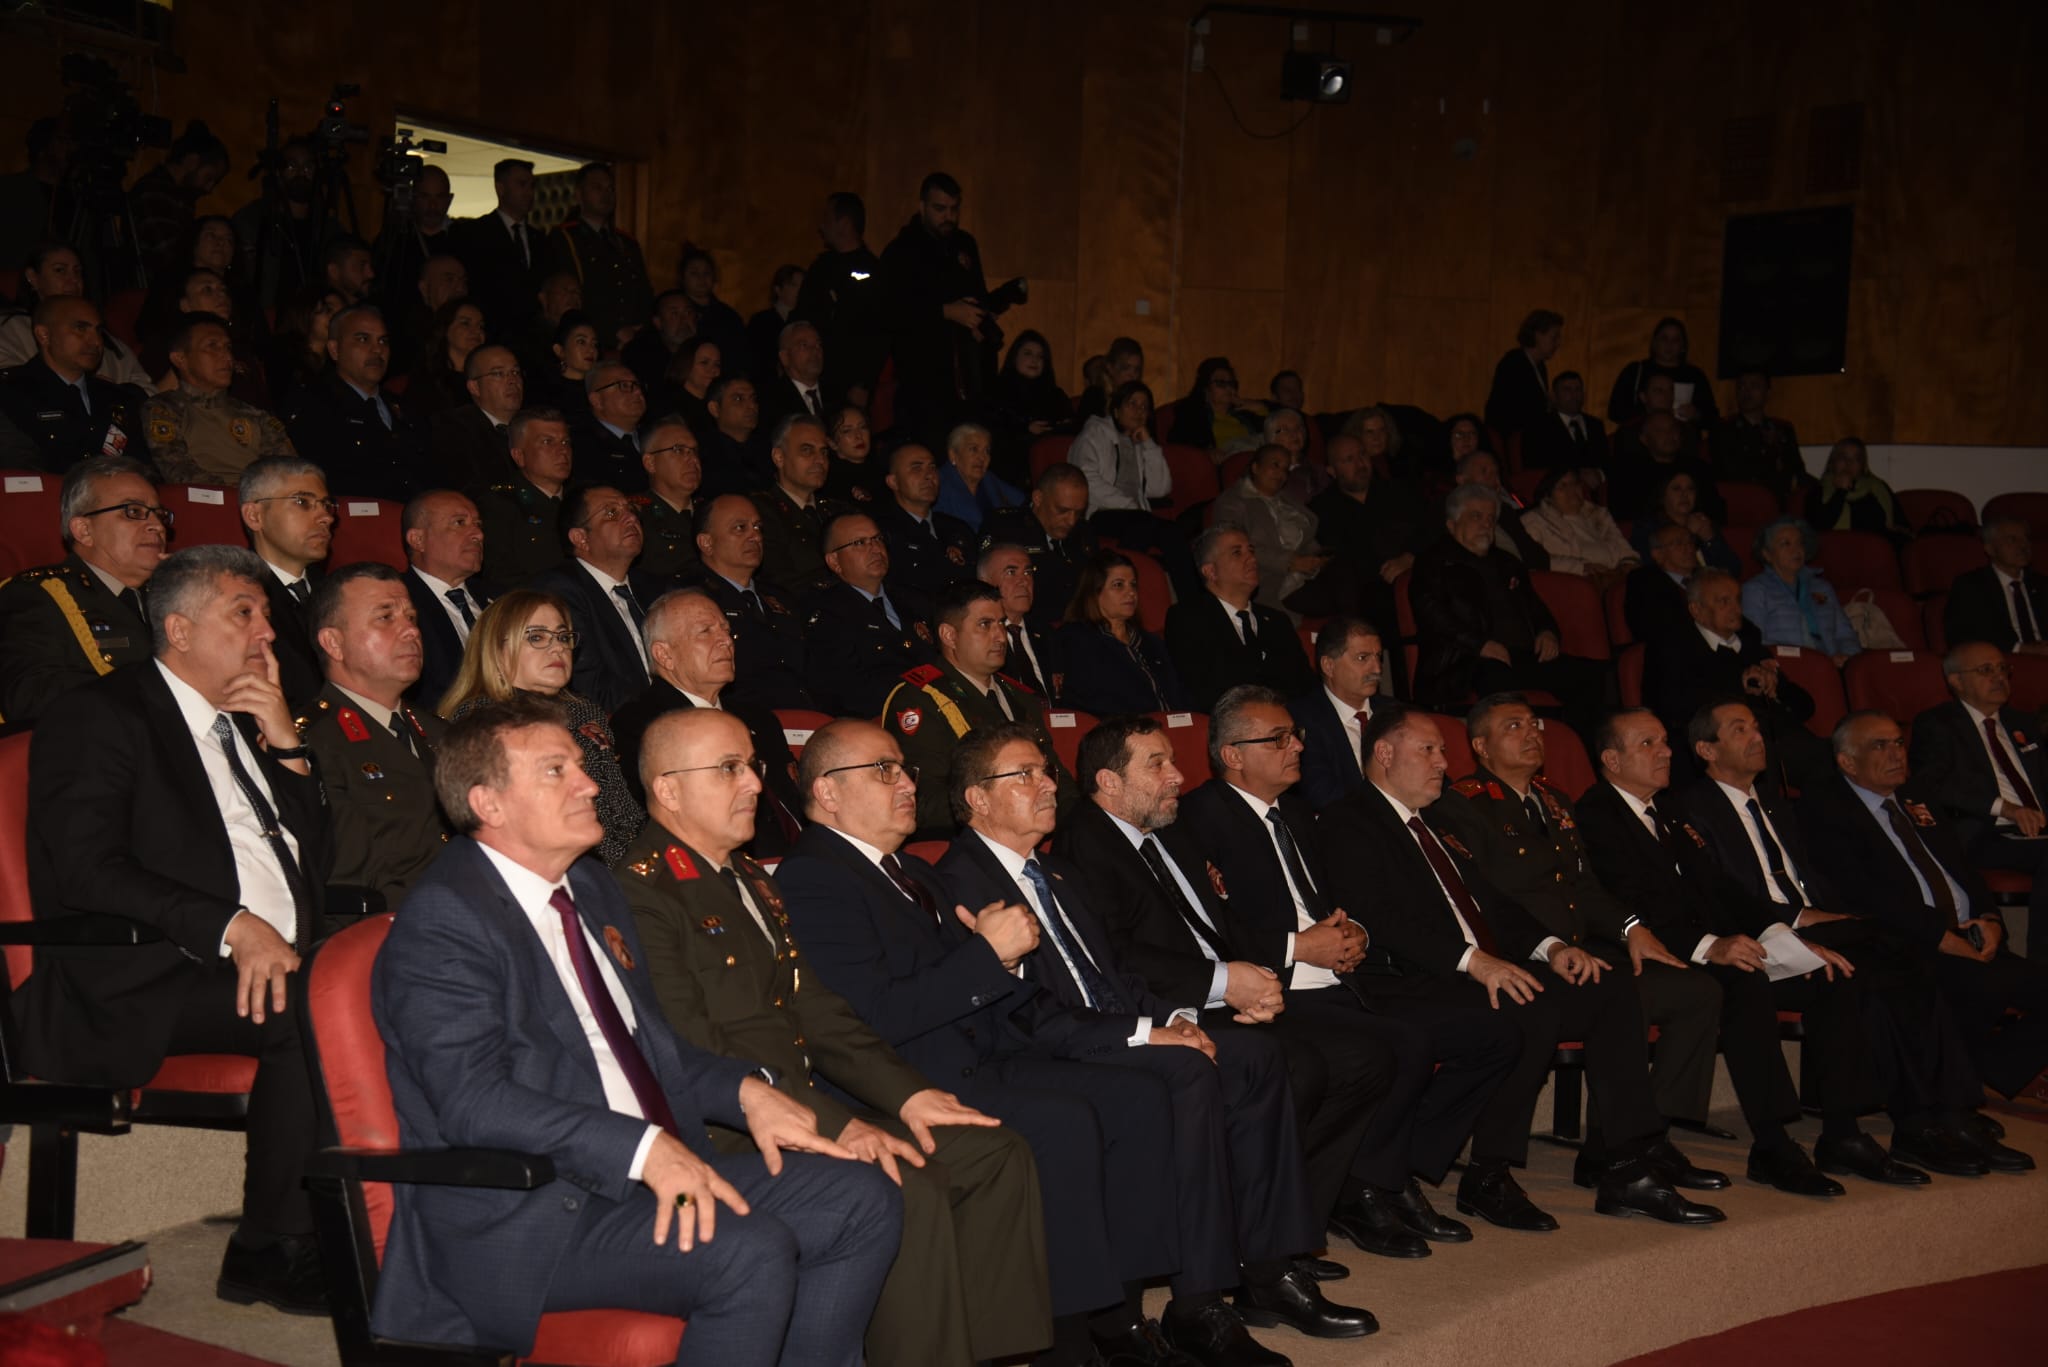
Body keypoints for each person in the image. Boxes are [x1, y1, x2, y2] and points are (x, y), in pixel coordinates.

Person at [371, 694, 900, 1364]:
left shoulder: (590, 888)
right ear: (489, 803)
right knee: (746, 1250)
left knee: (862, 1197)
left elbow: (650, 1045)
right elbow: (473, 1101)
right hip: (533, 1213)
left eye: (580, 765)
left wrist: (745, 1093)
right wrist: (643, 1148)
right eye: (557, 770)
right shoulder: (445, 921)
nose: (590, 783)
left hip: (638, 1175)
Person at [773, 721, 1215, 1366]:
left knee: (1138, 1095)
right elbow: (872, 1016)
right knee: (1065, 1121)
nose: (907, 783)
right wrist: (988, 956)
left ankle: (1117, 1316)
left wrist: (1001, 968)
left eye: (904, 769)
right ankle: (1067, 1344)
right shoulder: (814, 878)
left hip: (981, 1052)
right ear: (827, 792)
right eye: (883, 770)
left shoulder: (907, 871)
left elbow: (975, 986)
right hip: (909, 1079)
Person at [618, 709, 1048, 1367]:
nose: (755, 784)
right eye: (729, 769)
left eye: (753, 766)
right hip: (730, 1126)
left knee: (991, 1151)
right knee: (908, 1183)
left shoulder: (750, 879)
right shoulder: (642, 892)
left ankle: (998, 1352)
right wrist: (838, 1124)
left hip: (803, 1099)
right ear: (668, 789)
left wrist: (905, 1095)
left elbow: (816, 1010)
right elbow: (697, 1048)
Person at [938, 725, 1373, 1354]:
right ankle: (1188, 1303)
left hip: (1107, 1028)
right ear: (977, 798)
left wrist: (1177, 1018)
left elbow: (1116, 974)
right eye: (1024, 775)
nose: (1047, 785)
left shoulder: (1054, 872)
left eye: (1045, 771)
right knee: (1187, 1072)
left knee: (1254, 1055)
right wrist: (1148, 1034)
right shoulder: (960, 883)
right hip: (1046, 1052)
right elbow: (1023, 1013)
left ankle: (1263, 1271)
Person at [22, 544, 331, 1311]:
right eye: (244, 612)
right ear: (180, 629)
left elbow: (315, 859)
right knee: (310, 1008)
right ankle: (271, 1244)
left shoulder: (243, 724)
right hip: (142, 974)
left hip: (261, 958)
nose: (267, 631)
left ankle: (382, 1212)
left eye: (266, 614)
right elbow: (86, 868)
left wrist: (287, 744)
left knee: (402, 982)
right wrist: (231, 925)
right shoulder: (100, 715)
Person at [1318, 706, 1727, 1227]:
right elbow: (1381, 918)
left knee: (1609, 988)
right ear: (1384, 753)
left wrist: (1551, 947)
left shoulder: (1431, 821)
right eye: (1429, 750)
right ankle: (1487, 1173)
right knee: (1528, 1007)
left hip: (1468, 968)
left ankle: (1625, 1165)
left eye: (1442, 750)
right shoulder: (1348, 820)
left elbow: (1490, 902)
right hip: (1407, 978)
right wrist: (1475, 961)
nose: (1443, 762)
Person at [1055, 715, 1422, 1269]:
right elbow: (1118, 958)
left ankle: (1296, 1219)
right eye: (1157, 765)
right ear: (1109, 782)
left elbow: (1219, 925)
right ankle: (1262, 1247)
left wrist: (1262, 973)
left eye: (1172, 760)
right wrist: (1229, 981)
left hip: (1220, 990)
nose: (1178, 775)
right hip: (1167, 1009)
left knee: (1367, 1058)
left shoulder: (1166, 828)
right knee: (1299, 1066)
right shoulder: (1084, 844)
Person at [1176, 690, 1519, 1248]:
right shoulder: (1197, 819)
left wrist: (1353, 929)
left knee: (1476, 1032)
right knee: (1395, 1048)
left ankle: (1378, 1179)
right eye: (1278, 739)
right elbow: (1207, 927)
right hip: (1275, 986)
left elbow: (1337, 896)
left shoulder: (1295, 811)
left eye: (1296, 735)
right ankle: (1360, 1192)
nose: (1297, 747)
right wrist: (1297, 947)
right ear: (1233, 755)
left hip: (1342, 977)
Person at [1575, 705, 1920, 1190]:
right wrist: (1711, 946)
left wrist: (1784, 936)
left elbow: (1721, 890)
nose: (1666, 752)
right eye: (1648, 744)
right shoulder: (1595, 814)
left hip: (1701, 944)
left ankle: (1842, 1132)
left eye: (1664, 741)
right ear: (1612, 760)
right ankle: (1772, 1143)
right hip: (1647, 951)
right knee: (1744, 982)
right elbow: (1628, 902)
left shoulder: (1667, 810)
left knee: (1828, 974)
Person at [1432, 696, 1733, 1150]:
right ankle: (1616, 1148)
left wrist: (1631, 929)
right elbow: (1485, 901)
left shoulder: (1554, 800)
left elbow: (1585, 887)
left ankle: (1655, 1133)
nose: (1532, 733)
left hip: (1582, 948)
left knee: (1695, 991)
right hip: (1521, 955)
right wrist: (1550, 946)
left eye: (1534, 724)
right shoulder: (1462, 806)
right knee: (1621, 995)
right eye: (1513, 726)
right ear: (1480, 746)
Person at [1798, 712, 2048, 1136]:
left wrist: (1991, 918)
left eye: (1898, 742)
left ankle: (1979, 1070)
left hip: (1967, 932)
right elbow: (1861, 894)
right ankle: (1955, 1098)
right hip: (1907, 942)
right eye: (1880, 746)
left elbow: (1964, 869)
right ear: (1847, 762)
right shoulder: (1825, 809)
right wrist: (1939, 935)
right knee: (1979, 984)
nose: (1896, 753)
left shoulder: (1917, 796)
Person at [440, 590, 641, 865]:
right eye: (537, 637)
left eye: (563, 636)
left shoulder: (584, 710)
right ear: (496, 650)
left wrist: (648, 857)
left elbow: (623, 805)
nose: (558, 648)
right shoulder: (482, 719)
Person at [607, 589, 805, 854]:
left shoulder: (759, 719)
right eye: (705, 631)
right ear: (664, 655)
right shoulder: (640, 726)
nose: (726, 640)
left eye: (726, 630)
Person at [300, 561, 450, 908]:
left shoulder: (439, 731)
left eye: (411, 618)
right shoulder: (313, 742)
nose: (410, 631)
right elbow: (347, 878)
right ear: (334, 643)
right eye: (385, 618)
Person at [882, 579, 1074, 839]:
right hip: (970, 842)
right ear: (949, 635)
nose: (1000, 636)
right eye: (985, 625)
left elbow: (1058, 778)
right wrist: (1005, 809)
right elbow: (924, 801)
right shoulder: (921, 699)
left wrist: (1078, 824)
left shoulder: (1020, 697)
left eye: (1002, 623)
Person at [1408, 485, 1602, 719]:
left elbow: (1535, 606)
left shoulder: (1507, 563)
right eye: (1476, 516)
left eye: (1491, 518)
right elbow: (1432, 615)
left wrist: (1547, 631)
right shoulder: (1434, 563)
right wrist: (1480, 645)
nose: (1486, 524)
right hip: (1464, 662)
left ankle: (1577, 741)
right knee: (1497, 677)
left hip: (1521, 656)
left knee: (1592, 675)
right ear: (1452, 524)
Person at [0, 455, 163, 726]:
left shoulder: (176, 596)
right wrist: (155, 695)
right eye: (133, 512)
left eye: (160, 514)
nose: (157, 525)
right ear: (84, 530)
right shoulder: (38, 594)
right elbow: (28, 694)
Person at [1911, 642, 2048, 925]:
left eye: (2002, 668)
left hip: (2038, 829)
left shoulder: (2022, 722)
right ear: (1956, 681)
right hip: (1985, 833)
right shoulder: (1938, 724)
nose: (1998, 677)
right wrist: (2004, 808)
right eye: (1986, 670)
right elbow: (1932, 784)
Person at [879, 172, 996, 446]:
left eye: (954, 209)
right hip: (922, 378)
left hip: (966, 373)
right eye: (940, 209)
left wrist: (981, 320)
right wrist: (944, 311)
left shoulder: (964, 245)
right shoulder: (901, 252)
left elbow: (978, 295)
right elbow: (889, 311)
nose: (948, 217)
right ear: (922, 207)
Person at [280, 303, 426, 503]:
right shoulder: (314, 404)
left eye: (383, 341)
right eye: (363, 339)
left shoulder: (404, 408)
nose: (377, 349)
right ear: (334, 349)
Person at [530, 486, 657, 714]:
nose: (631, 517)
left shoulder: (652, 587)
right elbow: (590, 687)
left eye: (630, 509)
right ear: (581, 538)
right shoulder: (560, 591)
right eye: (611, 512)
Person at [801, 511, 938, 718]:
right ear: (834, 561)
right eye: (859, 543)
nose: (875, 548)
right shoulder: (828, 613)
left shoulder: (912, 600)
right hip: (880, 718)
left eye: (878, 539)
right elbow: (848, 691)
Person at [1164, 525, 1314, 712]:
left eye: (1251, 551)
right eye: (1237, 553)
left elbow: (1305, 685)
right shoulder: (1188, 618)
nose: (1251, 558)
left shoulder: (1277, 621)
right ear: (1211, 571)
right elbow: (1202, 690)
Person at [693, 493, 815, 711]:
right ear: (707, 543)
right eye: (740, 528)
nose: (755, 536)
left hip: (804, 714)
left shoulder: (780, 598)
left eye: (758, 527)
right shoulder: (694, 600)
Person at [142, 314, 295, 484]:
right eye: (212, 346)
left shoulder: (255, 415)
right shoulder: (165, 408)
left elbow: (288, 469)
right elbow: (178, 470)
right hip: (209, 498)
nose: (228, 356)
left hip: (260, 495)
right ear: (180, 359)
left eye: (228, 347)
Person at [0, 295, 145, 472]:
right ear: (44, 335)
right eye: (80, 329)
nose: (96, 341)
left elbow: (144, 468)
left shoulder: (118, 397)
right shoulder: (11, 393)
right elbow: (20, 471)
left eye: (98, 330)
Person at [238, 456, 335, 707]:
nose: (326, 517)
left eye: (326, 505)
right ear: (254, 516)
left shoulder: (338, 592)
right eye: (302, 502)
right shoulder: (233, 599)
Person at [0, 242, 155, 390]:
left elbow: (147, 392)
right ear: (32, 277)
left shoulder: (109, 342)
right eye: (60, 270)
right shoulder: (9, 328)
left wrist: (115, 392)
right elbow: (9, 382)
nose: (73, 279)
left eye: (77, 271)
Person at [1051, 550, 1186, 716]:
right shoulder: (1076, 639)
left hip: (1171, 726)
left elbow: (1178, 696)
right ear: (1094, 591)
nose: (1131, 593)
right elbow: (1081, 703)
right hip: (1118, 728)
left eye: (1133, 585)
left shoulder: (1151, 642)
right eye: (1118, 585)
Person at [1211, 445, 1336, 621]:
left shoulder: (1286, 499)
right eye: (1275, 465)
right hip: (1270, 580)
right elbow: (1235, 549)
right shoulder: (1232, 502)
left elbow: (1306, 537)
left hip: (1306, 573)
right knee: (1341, 589)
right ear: (1255, 467)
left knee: (1347, 572)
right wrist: (1289, 562)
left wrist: (1317, 558)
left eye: (1285, 469)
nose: (1281, 474)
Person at [543, 162, 652, 350]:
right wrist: (612, 331)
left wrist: (640, 329)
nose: (606, 194)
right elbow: (567, 298)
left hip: (633, 341)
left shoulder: (626, 242)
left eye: (610, 189)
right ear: (579, 195)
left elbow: (643, 292)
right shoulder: (564, 238)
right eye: (597, 188)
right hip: (589, 341)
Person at [980, 462, 1100, 631]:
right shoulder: (1007, 529)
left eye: (1078, 512)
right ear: (1038, 498)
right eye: (1062, 510)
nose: (1071, 521)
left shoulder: (1083, 534)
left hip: (1077, 627)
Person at [400, 488, 492, 707]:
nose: (478, 535)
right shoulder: (399, 604)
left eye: (478, 524)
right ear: (418, 540)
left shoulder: (499, 597)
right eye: (459, 523)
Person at [795, 191, 887, 406]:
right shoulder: (821, 268)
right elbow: (802, 316)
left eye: (827, 219)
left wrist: (863, 382)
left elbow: (879, 332)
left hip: (849, 382)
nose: (822, 226)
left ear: (844, 223)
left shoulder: (873, 271)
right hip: (813, 377)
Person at [1288, 617, 1390, 810]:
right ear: (1329, 666)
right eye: (1363, 658)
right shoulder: (1299, 720)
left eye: (1378, 657)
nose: (1377, 668)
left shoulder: (1396, 713)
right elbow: (1320, 795)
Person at [1743, 518, 1861, 665]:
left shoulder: (1822, 587)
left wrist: (1846, 657)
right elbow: (1754, 642)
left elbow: (1846, 635)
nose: (1796, 550)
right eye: (1786, 543)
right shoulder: (1755, 590)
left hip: (1831, 666)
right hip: (1787, 666)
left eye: (1799, 543)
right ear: (1767, 554)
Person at [480, 407, 573, 587]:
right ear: (519, 456)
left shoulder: (583, 498)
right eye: (547, 442)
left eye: (565, 442)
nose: (562, 450)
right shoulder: (500, 505)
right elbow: (502, 577)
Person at [753, 415, 846, 596]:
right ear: (779, 457)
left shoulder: (836, 510)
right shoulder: (761, 512)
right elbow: (780, 581)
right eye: (807, 451)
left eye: (824, 452)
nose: (820, 460)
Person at [450, 158, 543, 337]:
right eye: (522, 184)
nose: (529, 192)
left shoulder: (540, 240)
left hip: (533, 335)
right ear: (500, 188)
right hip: (491, 331)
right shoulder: (474, 233)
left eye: (532, 186)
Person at [873, 441, 976, 599]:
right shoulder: (882, 534)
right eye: (917, 468)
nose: (929, 475)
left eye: (932, 467)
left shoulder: (956, 527)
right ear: (893, 482)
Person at [426, 343, 524, 495]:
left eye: (515, 372)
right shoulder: (453, 429)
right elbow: (471, 488)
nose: (512, 380)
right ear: (474, 387)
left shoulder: (532, 424)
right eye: (498, 373)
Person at [1945, 516, 2048, 657]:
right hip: (2001, 660)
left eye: (2026, 539)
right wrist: (2021, 649)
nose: (2023, 545)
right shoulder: (1971, 586)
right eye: (2012, 539)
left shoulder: (2042, 584)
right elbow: (1964, 636)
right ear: (1990, 549)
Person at [1521, 467, 1637, 590]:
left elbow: (1628, 554)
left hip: (1617, 581)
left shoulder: (1598, 515)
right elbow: (1533, 561)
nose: (1572, 490)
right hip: (1572, 586)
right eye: (1563, 486)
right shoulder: (1535, 520)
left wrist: (1622, 571)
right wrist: (1582, 567)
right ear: (1548, 496)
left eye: (1575, 483)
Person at [984, 328, 1071, 482]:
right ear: (1015, 357)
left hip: (1050, 467)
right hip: (1009, 463)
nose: (1034, 360)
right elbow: (993, 424)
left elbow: (1068, 421)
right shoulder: (998, 389)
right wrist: (1025, 427)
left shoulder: (1055, 394)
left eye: (1040, 356)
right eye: (1028, 354)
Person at [1717, 371, 1811, 508]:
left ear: (1767, 392)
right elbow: (1730, 471)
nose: (1746, 392)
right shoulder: (1724, 429)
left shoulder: (1781, 429)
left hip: (1778, 500)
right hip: (1741, 500)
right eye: (1741, 386)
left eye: (1754, 386)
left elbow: (1796, 468)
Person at [980, 541, 1058, 702]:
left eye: (1028, 572)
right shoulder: (979, 639)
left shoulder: (1047, 634)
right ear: (985, 583)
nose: (1024, 581)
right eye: (1011, 572)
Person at [1607, 317, 1719, 427]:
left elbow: (1712, 417)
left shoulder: (1694, 375)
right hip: (1640, 436)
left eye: (1676, 340)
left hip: (1682, 437)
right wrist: (1649, 413)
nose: (1669, 344)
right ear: (1655, 343)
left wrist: (1696, 414)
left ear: (1683, 346)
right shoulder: (1636, 371)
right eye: (1664, 338)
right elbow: (1615, 411)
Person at [636, 414, 707, 584]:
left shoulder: (711, 512)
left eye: (694, 451)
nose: (692, 459)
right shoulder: (636, 516)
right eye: (678, 450)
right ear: (650, 463)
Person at [1630, 468, 1741, 576]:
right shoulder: (1647, 528)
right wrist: (1686, 534)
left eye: (1690, 489)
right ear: (1662, 496)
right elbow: (1647, 569)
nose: (1684, 494)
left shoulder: (1703, 524)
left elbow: (1733, 570)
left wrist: (1709, 538)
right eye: (1676, 489)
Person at [1483, 308, 1562, 438]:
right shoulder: (1514, 362)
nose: (1558, 343)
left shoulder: (1540, 366)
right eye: (1554, 337)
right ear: (1538, 335)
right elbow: (1510, 408)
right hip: (1511, 438)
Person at [404, 297, 487, 418]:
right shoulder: (426, 379)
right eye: (465, 323)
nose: (476, 331)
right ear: (445, 329)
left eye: (481, 326)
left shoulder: (487, 379)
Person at [576, 361, 652, 494]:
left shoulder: (654, 437)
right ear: (597, 400)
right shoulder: (582, 446)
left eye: (637, 385)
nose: (637, 391)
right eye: (624, 386)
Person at [1814, 436, 1908, 541]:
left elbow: (1902, 527)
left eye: (1856, 459)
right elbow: (1820, 527)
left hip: (1875, 547)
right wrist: (1841, 491)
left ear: (1863, 465)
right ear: (1833, 462)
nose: (1849, 463)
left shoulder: (1878, 488)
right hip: (1836, 548)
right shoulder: (1818, 490)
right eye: (1843, 457)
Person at [935, 421, 1022, 532]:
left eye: (987, 451)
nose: (982, 457)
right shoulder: (937, 484)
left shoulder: (988, 478)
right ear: (953, 455)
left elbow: (1023, 503)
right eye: (974, 449)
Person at [1518, 370, 1610, 475]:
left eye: (1578, 389)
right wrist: (1577, 474)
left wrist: (1599, 474)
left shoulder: (1595, 425)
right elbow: (1536, 465)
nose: (1574, 395)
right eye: (1567, 390)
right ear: (1554, 395)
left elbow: (1606, 462)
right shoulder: (1539, 427)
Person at [1167, 357, 1266, 454]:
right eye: (1220, 383)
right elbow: (1179, 446)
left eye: (1231, 383)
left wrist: (1259, 408)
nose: (1228, 387)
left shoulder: (1246, 414)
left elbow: (1269, 435)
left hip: (1254, 455)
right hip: (1226, 458)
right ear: (1206, 388)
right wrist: (1206, 453)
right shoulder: (1192, 416)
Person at [1623, 523, 1700, 642]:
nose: (1689, 548)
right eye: (1679, 543)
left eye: (1690, 542)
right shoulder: (1644, 581)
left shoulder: (1707, 576)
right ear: (1657, 554)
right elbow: (1652, 628)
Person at [677, 247, 749, 374]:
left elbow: (741, 354)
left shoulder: (728, 316)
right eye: (694, 273)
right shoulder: (676, 313)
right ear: (682, 277)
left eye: (706, 273)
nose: (701, 278)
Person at [756, 320, 829, 435]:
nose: (815, 351)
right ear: (785, 357)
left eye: (818, 345)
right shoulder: (770, 401)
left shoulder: (836, 392)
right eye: (804, 345)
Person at [623, 289, 699, 397]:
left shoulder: (707, 349)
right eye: (674, 314)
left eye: (688, 312)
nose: (684, 320)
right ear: (658, 322)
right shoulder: (640, 353)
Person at [702, 374, 768, 496]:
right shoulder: (705, 457)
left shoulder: (768, 449)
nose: (751, 406)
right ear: (715, 409)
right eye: (738, 399)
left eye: (753, 399)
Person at [744, 265, 806, 387]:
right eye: (793, 285)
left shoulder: (806, 322)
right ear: (778, 289)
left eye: (803, 285)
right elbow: (755, 361)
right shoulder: (761, 321)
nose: (800, 290)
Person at [823, 403, 883, 506]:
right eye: (847, 431)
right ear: (832, 443)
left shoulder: (884, 468)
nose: (858, 435)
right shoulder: (830, 481)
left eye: (863, 427)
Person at [1075, 337, 1143, 422]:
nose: (1132, 375)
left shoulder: (1142, 400)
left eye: (1137, 370)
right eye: (1125, 368)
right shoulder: (1095, 396)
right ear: (1110, 367)